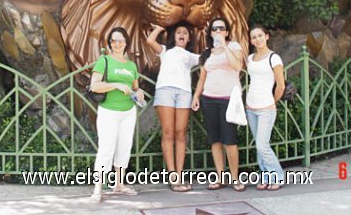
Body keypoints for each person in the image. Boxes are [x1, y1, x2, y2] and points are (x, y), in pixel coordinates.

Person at [88, 27, 145, 203]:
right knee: (106, 149)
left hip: (128, 112)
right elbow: (94, 86)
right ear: (109, 43)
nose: (117, 44)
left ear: (126, 42)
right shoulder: (104, 61)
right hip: (109, 112)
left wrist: (140, 92)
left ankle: (119, 184)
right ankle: (98, 189)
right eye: (113, 41)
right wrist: (116, 85)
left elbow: (135, 88)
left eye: (120, 40)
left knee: (124, 148)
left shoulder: (131, 65)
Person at [191, 17, 245, 191]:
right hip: (209, 99)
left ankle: (235, 178)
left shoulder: (234, 46)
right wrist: (196, 97)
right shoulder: (206, 52)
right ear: (210, 32)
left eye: (221, 28)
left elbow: (237, 66)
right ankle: (220, 177)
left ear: (227, 32)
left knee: (229, 140)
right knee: (214, 140)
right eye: (214, 29)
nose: (217, 31)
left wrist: (225, 45)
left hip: (228, 99)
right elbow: (202, 78)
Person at [146, 22, 199, 192]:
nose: (182, 34)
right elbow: (150, 40)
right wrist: (160, 28)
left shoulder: (190, 56)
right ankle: (173, 177)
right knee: (168, 132)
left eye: (185, 33)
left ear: (189, 38)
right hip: (165, 91)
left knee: (181, 134)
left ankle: (180, 173)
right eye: (178, 32)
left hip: (184, 93)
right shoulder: (165, 51)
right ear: (173, 36)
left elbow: (209, 58)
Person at [246, 25, 285, 190]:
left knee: (263, 145)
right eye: (254, 37)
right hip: (251, 107)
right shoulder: (250, 58)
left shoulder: (274, 58)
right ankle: (265, 176)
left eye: (260, 36)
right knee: (259, 145)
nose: (257, 39)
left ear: (267, 36)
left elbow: (280, 86)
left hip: (266, 108)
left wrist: (272, 102)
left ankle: (277, 177)